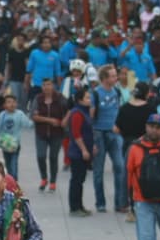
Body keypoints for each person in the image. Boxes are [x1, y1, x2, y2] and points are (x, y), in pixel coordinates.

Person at [90, 65, 127, 214]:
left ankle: (119, 202)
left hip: (114, 133)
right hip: (99, 133)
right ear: (104, 78)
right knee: (98, 170)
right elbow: (90, 117)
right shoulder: (95, 94)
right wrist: (91, 140)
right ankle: (100, 202)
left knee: (120, 166)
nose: (115, 78)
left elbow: (120, 110)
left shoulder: (117, 92)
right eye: (112, 76)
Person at [30, 76, 66, 193]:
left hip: (57, 133)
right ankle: (44, 178)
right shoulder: (38, 99)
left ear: (53, 86)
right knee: (41, 156)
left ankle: (53, 181)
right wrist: (50, 120)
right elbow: (33, 116)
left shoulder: (60, 98)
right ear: (42, 87)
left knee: (53, 157)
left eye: (49, 85)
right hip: (41, 133)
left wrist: (64, 121)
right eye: (44, 85)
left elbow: (68, 110)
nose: (47, 87)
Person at [66, 87, 96, 217]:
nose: (90, 100)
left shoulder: (85, 112)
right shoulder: (77, 114)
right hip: (77, 153)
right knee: (76, 180)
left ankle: (80, 205)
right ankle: (74, 207)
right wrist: (84, 150)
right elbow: (76, 134)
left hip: (84, 151)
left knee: (81, 179)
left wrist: (92, 146)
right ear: (80, 100)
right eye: (87, 98)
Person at [0, 93, 32, 180]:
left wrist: (33, 121)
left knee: (14, 164)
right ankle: (9, 181)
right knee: (7, 165)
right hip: (4, 145)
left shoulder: (19, 114)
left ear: (16, 104)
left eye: (13, 102)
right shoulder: (2, 115)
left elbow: (27, 124)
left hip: (15, 145)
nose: (11, 104)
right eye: (8, 102)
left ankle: (14, 182)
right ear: (4, 105)